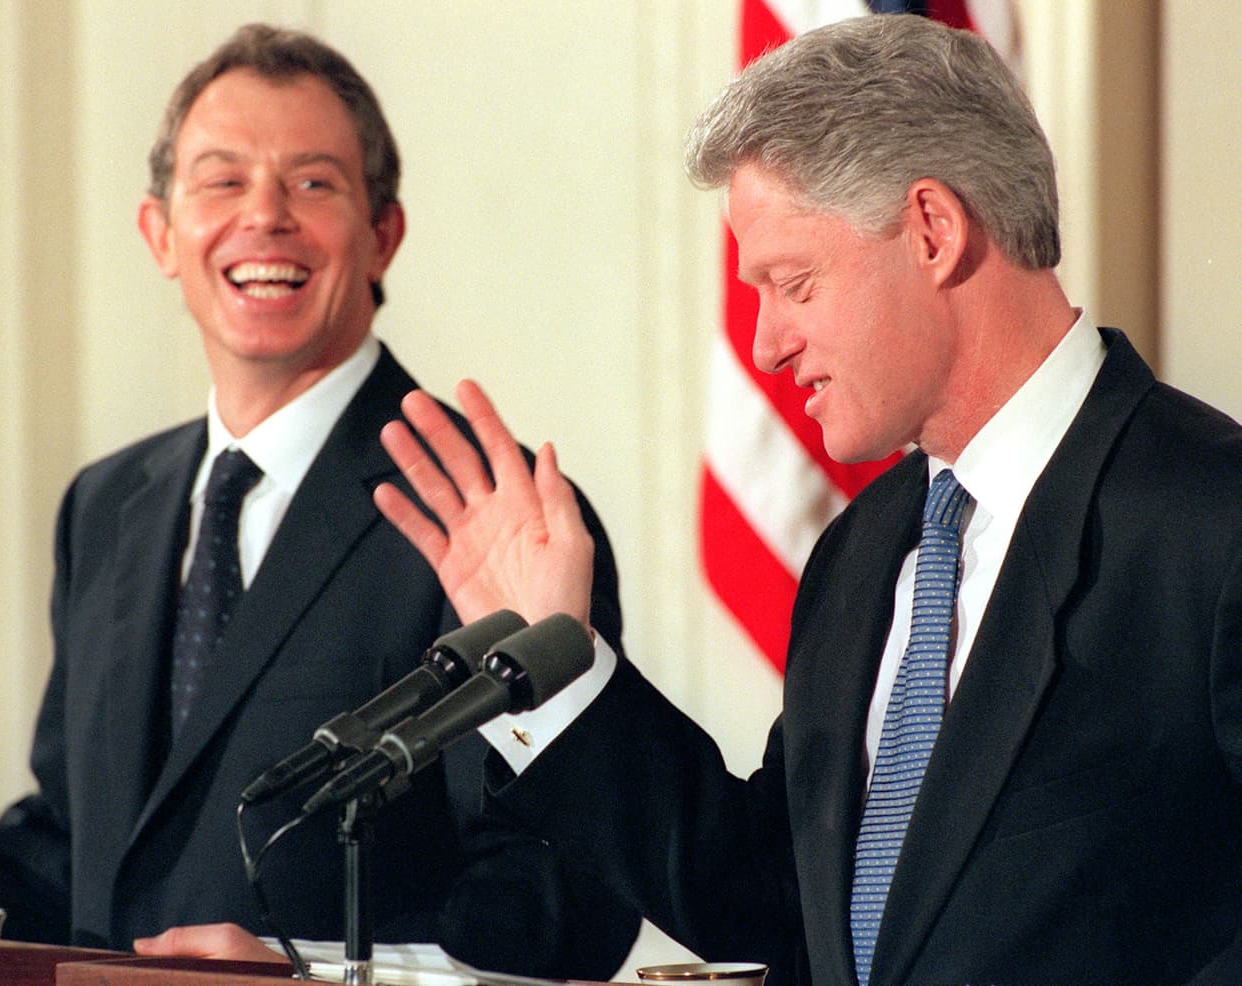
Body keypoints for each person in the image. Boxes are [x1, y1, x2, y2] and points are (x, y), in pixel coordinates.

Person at [371, 13, 1242, 986]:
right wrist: (548, 659)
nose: (764, 345)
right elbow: (777, 902)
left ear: (930, 230)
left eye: (792, 284)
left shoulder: (1212, 525)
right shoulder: (859, 554)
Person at [0, 22, 638, 979]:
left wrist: (310, 974)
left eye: (313, 182)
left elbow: (559, 896)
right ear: (160, 233)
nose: (266, 216)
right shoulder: (106, 505)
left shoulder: (490, 510)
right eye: (223, 180)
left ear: (383, 235)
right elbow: (74, 841)